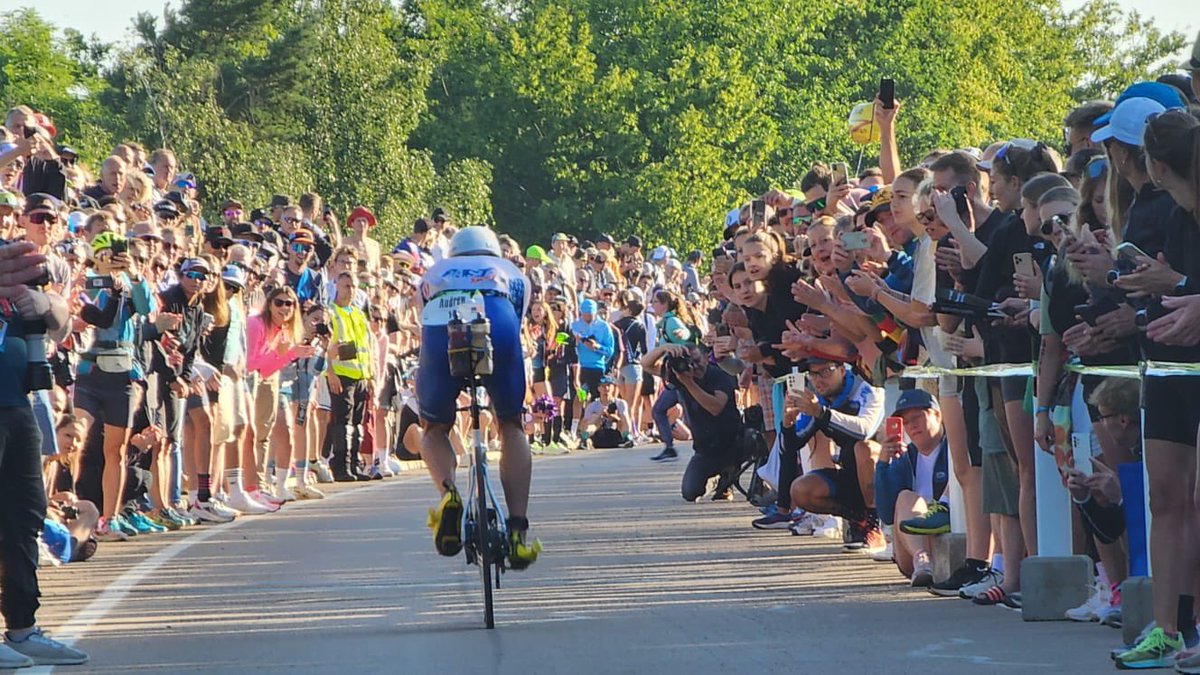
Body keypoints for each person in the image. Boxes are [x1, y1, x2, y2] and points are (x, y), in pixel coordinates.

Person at [417, 225, 541, 569]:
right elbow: (516, 324)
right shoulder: (513, 272)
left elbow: (422, 316)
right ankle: (517, 530)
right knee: (511, 423)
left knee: (433, 427)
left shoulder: (434, 272)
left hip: (443, 323)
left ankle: (448, 496)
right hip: (497, 320)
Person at [0, 236, 88, 668]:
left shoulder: (14, 260)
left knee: (25, 516)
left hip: (19, 404)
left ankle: (22, 628)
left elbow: (62, 322)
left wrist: (40, 300)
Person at [777, 358, 885, 551]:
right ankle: (857, 517)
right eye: (813, 374)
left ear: (843, 370)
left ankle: (874, 524)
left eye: (826, 371)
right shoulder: (818, 399)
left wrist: (821, 413)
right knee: (801, 489)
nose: (819, 380)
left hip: (884, 475)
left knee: (864, 448)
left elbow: (865, 430)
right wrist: (787, 423)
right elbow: (793, 444)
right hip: (849, 473)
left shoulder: (868, 389)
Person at [641, 342, 743, 502]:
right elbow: (646, 365)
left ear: (706, 357)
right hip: (706, 448)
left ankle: (747, 480)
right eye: (689, 362)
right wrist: (663, 348)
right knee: (690, 492)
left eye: (697, 360)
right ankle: (717, 480)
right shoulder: (680, 376)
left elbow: (715, 407)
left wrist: (689, 383)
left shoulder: (718, 375)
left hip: (734, 442)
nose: (694, 366)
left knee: (753, 441)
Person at [873, 390, 953, 588]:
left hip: (948, 538)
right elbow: (886, 514)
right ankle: (922, 560)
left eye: (917, 417)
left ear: (937, 414)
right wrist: (883, 463)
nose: (912, 426)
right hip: (913, 552)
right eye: (905, 422)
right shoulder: (905, 457)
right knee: (905, 497)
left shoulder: (953, 449)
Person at [579, 376, 634, 449]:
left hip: (616, 434)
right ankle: (585, 440)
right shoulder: (592, 406)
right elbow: (583, 425)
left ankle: (626, 437)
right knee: (594, 422)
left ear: (613, 388)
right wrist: (598, 416)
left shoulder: (620, 403)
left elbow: (627, 421)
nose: (606, 389)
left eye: (609, 386)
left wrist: (615, 418)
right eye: (603, 386)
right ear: (599, 388)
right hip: (599, 436)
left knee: (623, 418)